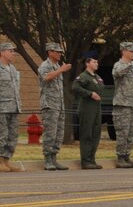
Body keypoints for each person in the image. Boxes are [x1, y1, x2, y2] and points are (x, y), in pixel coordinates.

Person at [0, 42, 23, 172]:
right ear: (2, 52)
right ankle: (0, 162)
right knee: (1, 135)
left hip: (13, 107)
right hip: (0, 109)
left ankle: (7, 161)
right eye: (10, 51)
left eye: (13, 51)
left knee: (12, 136)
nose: (13, 53)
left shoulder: (12, 68)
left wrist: (18, 106)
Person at [37, 42, 72, 170]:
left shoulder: (57, 65)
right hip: (49, 105)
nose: (59, 54)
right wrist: (61, 70)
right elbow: (46, 78)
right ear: (50, 52)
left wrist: (59, 69)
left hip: (59, 105)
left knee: (59, 133)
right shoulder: (45, 65)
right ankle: (47, 160)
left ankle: (54, 158)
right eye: (57, 52)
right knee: (50, 133)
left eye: (60, 52)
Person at [111, 41, 133, 169]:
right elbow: (118, 73)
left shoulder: (131, 68)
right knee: (122, 132)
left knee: (132, 132)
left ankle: (127, 156)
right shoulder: (119, 65)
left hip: (132, 105)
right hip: (122, 104)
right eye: (131, 51)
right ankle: (120, 157)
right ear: (124, 51)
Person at [71, 52, 103, 169]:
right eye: (94, 62)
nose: (96, 64)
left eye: (97, 62)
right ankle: (85, 161)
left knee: (95, 134)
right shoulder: (83, 76)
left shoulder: (97, 77)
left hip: (96, 109)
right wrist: (89, 94)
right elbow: (75, 87)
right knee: (86, 134)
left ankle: (92, 159)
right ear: (87, 63)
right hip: (86, 108)